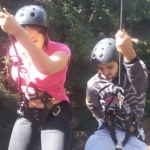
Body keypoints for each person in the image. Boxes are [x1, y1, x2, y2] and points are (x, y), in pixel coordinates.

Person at [0, 5, 72, 150]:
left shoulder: (60, 50)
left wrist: (19, 33)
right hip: (27, 113)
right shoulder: (15, 50)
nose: (25, 44)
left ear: (45, 34)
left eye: (33, 40)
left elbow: (47, 68)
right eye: (20, 39)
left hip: (55, 113)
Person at [84, 30, 149, 150]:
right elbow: (91, 104)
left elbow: (141, 86)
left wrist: (130, 55)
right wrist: (101, 119)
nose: (105, 72)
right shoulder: (94, 83)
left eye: (110, 67)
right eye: (100, 68)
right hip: (107, 130)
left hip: (133, 132)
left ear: (119, 62)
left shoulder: (134, 69)